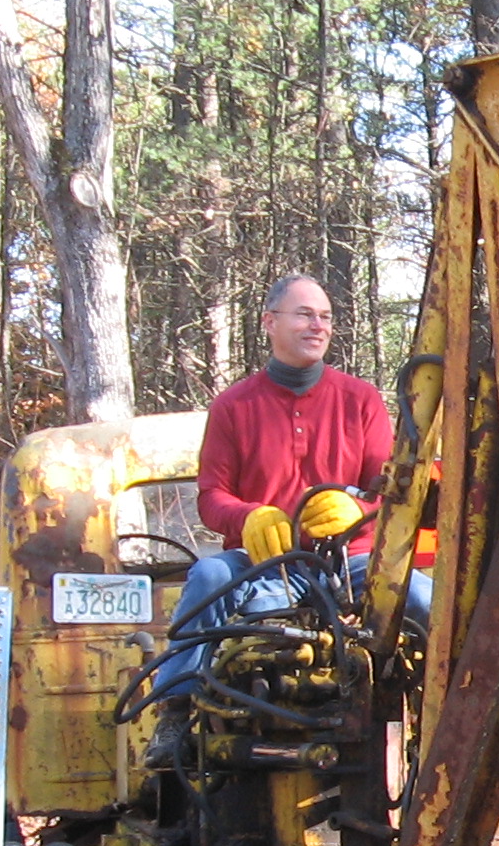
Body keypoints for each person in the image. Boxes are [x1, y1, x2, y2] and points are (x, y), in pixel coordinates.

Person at [144, 275, 425, 766]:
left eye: (325, 317)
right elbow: (211, 497)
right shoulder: (233, 406)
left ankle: (448, 720)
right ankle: (175, 712)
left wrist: (357, 510)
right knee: (209, 574)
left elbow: (388, 493)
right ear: (270, 323)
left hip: (349, 564)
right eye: (304, 314)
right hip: (263, 566)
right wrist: (249, 515)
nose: (317, 325)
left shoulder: (360, 400)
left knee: (425, 598)